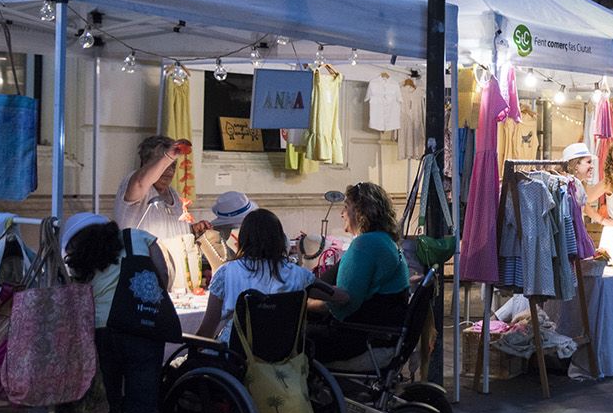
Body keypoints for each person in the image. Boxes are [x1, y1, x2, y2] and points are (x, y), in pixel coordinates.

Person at [62, 212, 169, 413]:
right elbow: (163, 277)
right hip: (140, 328)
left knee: (105, 404)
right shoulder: (137, 237)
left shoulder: (79, 258)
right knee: (141, 406)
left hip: (99, 332)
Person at [197, 209, 346, 344]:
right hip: (282, 355)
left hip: (235, 356)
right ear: (280, 239)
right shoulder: (298, 275)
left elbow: (207, 329)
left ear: (243, 239)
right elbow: (341, 296)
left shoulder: (226, 273)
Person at [307, 182, 414, 362]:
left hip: (362, 337)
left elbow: (345, 304)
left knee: (294, 340)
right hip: (380, 331)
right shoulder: (383, 241)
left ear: (360, 212)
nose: (342, 213)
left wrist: (306, 305)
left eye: (346, 207)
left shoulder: (365, 245)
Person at [114, 136, 208, 241]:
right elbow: (140, 183)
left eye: (173, 165)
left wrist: (192, 231)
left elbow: (170, 232)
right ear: (145, 163)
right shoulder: (132, 183)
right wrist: (168, 156)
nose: (170, 171)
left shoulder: (174, 194)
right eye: (164, 164)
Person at [560, 142, 596, 259]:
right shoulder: (572, 185)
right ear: (576, 165)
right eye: (588, 162)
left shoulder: (575, 184)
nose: (592, 166)